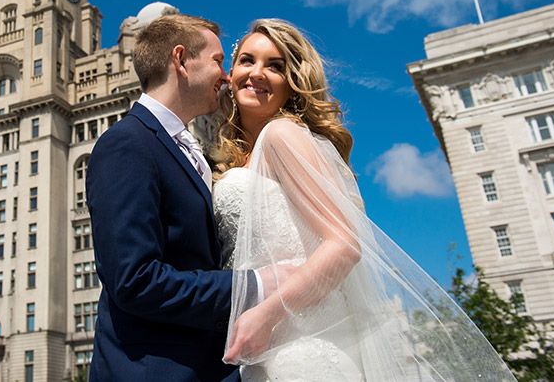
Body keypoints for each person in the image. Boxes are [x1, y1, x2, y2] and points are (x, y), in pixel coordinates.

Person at [212, 19, 516, 381]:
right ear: (231, 73)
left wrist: (264, 316)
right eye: (248, 60)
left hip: (304, 348)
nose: (257, 73)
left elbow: (344, 244)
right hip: (264, 348)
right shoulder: (237, 157)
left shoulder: (283, 134)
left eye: (275, 66)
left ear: (293, 84)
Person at [86, 14, 248, 381]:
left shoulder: (190, 151)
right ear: (181, 60)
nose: (227, 76)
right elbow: (135, 279)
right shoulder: (126, 143)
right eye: (218, 61)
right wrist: (250, 286)